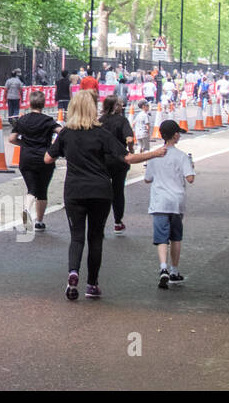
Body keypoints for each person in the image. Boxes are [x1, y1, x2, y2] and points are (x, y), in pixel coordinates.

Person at [46, 93, 167, 300]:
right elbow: (127, 158)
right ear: (92, 109)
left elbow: (48, 158)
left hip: (75, 191)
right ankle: (92, 284)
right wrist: (154, 154)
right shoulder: (101, 133)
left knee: (76, 237)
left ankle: (73, 273)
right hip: (100, 190)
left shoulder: (66, 133)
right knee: (95, 237)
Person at [146, 119, 195, 288]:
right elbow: (190, 178)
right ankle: (174, 270)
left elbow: (147, 179)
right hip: (176, 202)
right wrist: (191, 166)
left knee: (161, 238)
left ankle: (163, 268)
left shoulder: (154, 154)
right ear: (175, 135)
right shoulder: (182, 156)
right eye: (178, 133)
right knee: (175, 237)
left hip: (159, 201)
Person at [8, 90, 59, 232]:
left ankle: (26, 209)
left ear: (29, 103)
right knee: (42, 190)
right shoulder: (48, 121)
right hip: (45, 158)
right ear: (43, 104)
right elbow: (62, 132)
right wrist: (56, 147)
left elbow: (12, 138)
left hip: (26, 158)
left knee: (31, 188)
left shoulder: (22, 120)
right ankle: (39, 221)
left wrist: (23, 144)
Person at [100, 93, 135, 234]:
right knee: (118, 191)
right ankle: (117, 222)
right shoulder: (122, 121)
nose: (122, 106)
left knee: (102, 192)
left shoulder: (100, 121)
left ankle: (100, 224)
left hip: (102, 161)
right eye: (120, 104)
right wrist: (131, 150)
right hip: (119, 161)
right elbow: (130, 139)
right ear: (115, 106)